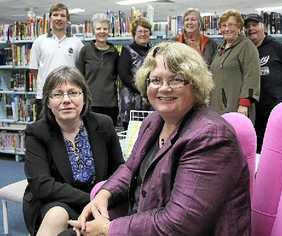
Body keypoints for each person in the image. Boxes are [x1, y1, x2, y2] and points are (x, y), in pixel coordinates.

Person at [69, 42, 251, 235]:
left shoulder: (210, 137)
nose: (164, 88)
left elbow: (179, 225)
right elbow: (131, 169)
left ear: (195, 84)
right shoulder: (154, 121)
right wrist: (104, 195)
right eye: (155, 80)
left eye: (176, 80)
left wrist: (109, 229)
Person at [22, 66, 124, 236]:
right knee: (57, 215)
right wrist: (91, 200)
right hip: (55, 202)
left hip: (99, 201)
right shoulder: (37, 132)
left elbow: (119, 170)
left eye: (73, 92)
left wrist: (103, 199)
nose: (66, 100)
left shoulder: (103, 124)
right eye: (57, 94)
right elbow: (42, 185)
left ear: (84, 97)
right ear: (48, 101)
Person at [244, 13, 282, 153]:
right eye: (248, 26)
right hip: (257, 114)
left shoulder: (278, 47)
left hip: (279, 112)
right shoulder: (247, 51)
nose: (251, 28)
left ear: (264, 26)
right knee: (260, 152)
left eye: (255, 25)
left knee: (281, 150)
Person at [29, 3, 84, 119]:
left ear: (67, 20)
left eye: (62, 15)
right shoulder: (39, 42)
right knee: (44, 131)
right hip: (45, 96)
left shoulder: (77, 43)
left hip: (69, 97)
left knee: (68, 128)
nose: (59, 18)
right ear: (50, 18)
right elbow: (34, 70)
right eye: (55, 15)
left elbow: (81, 70)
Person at [210, 9, 260, 122]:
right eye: (223, 25)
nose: (227, 29)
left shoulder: (247, 46)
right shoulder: (220, 48)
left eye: (231, 25)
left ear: (239, 27)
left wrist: (244, 103)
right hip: (217, 109)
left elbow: (252, 76)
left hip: (237, 109)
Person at [77, 13, 119, 126]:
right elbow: (78, 78)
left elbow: (116, 77)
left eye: (105, 28)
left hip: (110, 104)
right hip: (90, 104)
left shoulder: (114, 52)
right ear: (93, 30)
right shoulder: (85, 51)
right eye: (98, 28)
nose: (102, 31)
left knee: (108, 137)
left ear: (109, 31)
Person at [118, 16, 152, 130]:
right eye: (140, 31)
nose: (143, 34)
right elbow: (124, 75)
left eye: (146, 31)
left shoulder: (153, 51)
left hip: (149, 100)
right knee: (131, 135)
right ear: (134, 34)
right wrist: (141, 89)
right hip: (131, 101)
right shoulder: (126, 50)